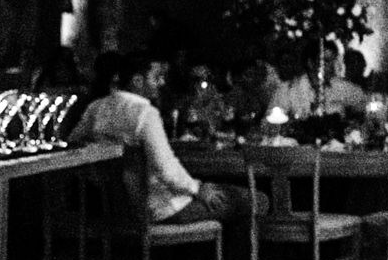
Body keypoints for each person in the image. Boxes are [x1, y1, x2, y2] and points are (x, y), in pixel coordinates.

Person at [70, 51, 259, 227]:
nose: (161, 83)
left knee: (223, 194)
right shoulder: (145, 113)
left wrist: (96, 176)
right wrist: (198, 189)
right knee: (255, 200)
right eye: (156, 77)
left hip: (114, 210)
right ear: (137, 80)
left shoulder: (96, 108)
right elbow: (165, 168)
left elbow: (72, 146)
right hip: (159, 209)